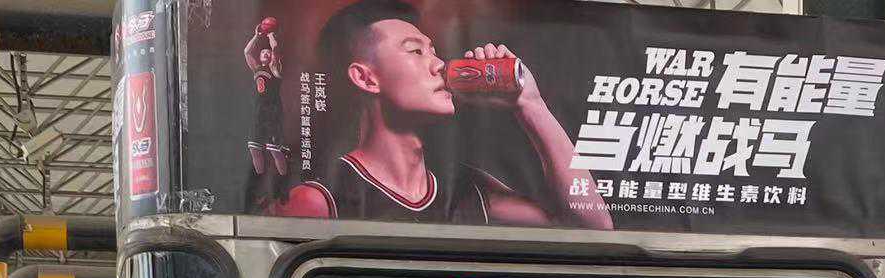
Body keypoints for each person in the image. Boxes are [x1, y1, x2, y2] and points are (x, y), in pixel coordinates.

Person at [279, 0, 611, 229]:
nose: (439, 64)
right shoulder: (320, 200)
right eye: (415, 51)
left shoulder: (468, 190)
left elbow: (593, 228)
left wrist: (531, 104)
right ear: (366, 78)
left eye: (434, 51)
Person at [245, 18, 289, 179]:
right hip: (259, 112)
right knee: (254, 149)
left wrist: (270, 34)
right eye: (263, 52)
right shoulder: (256, 69)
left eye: (268, 52)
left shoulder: (275, 69)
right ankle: (259, 181)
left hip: (273, 112)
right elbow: (247, 52)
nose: (265, 53)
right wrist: (256, 36)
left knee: (274, 150)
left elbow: (275, 49)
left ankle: (283, 180)